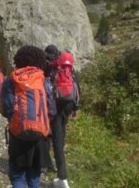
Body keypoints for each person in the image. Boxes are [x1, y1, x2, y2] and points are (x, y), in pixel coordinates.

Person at [0, 46, 53, 188]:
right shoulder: (44, 81)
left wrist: (15, 118)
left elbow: (5, 108)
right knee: (34, 177)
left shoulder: (11, 80)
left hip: (18, 135)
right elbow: (52, 111)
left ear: (18, 60)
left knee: (17, 176)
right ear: (40, 61)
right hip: (41, 138)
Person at [45, 45, 80, 188]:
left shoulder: (52, 68)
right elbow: (78, 87)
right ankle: (53, 163)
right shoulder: (69, 69)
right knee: (61, 134)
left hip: (56, 104)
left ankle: (62, 178)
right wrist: (76, 108)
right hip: (69, 104)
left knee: (56, 139)